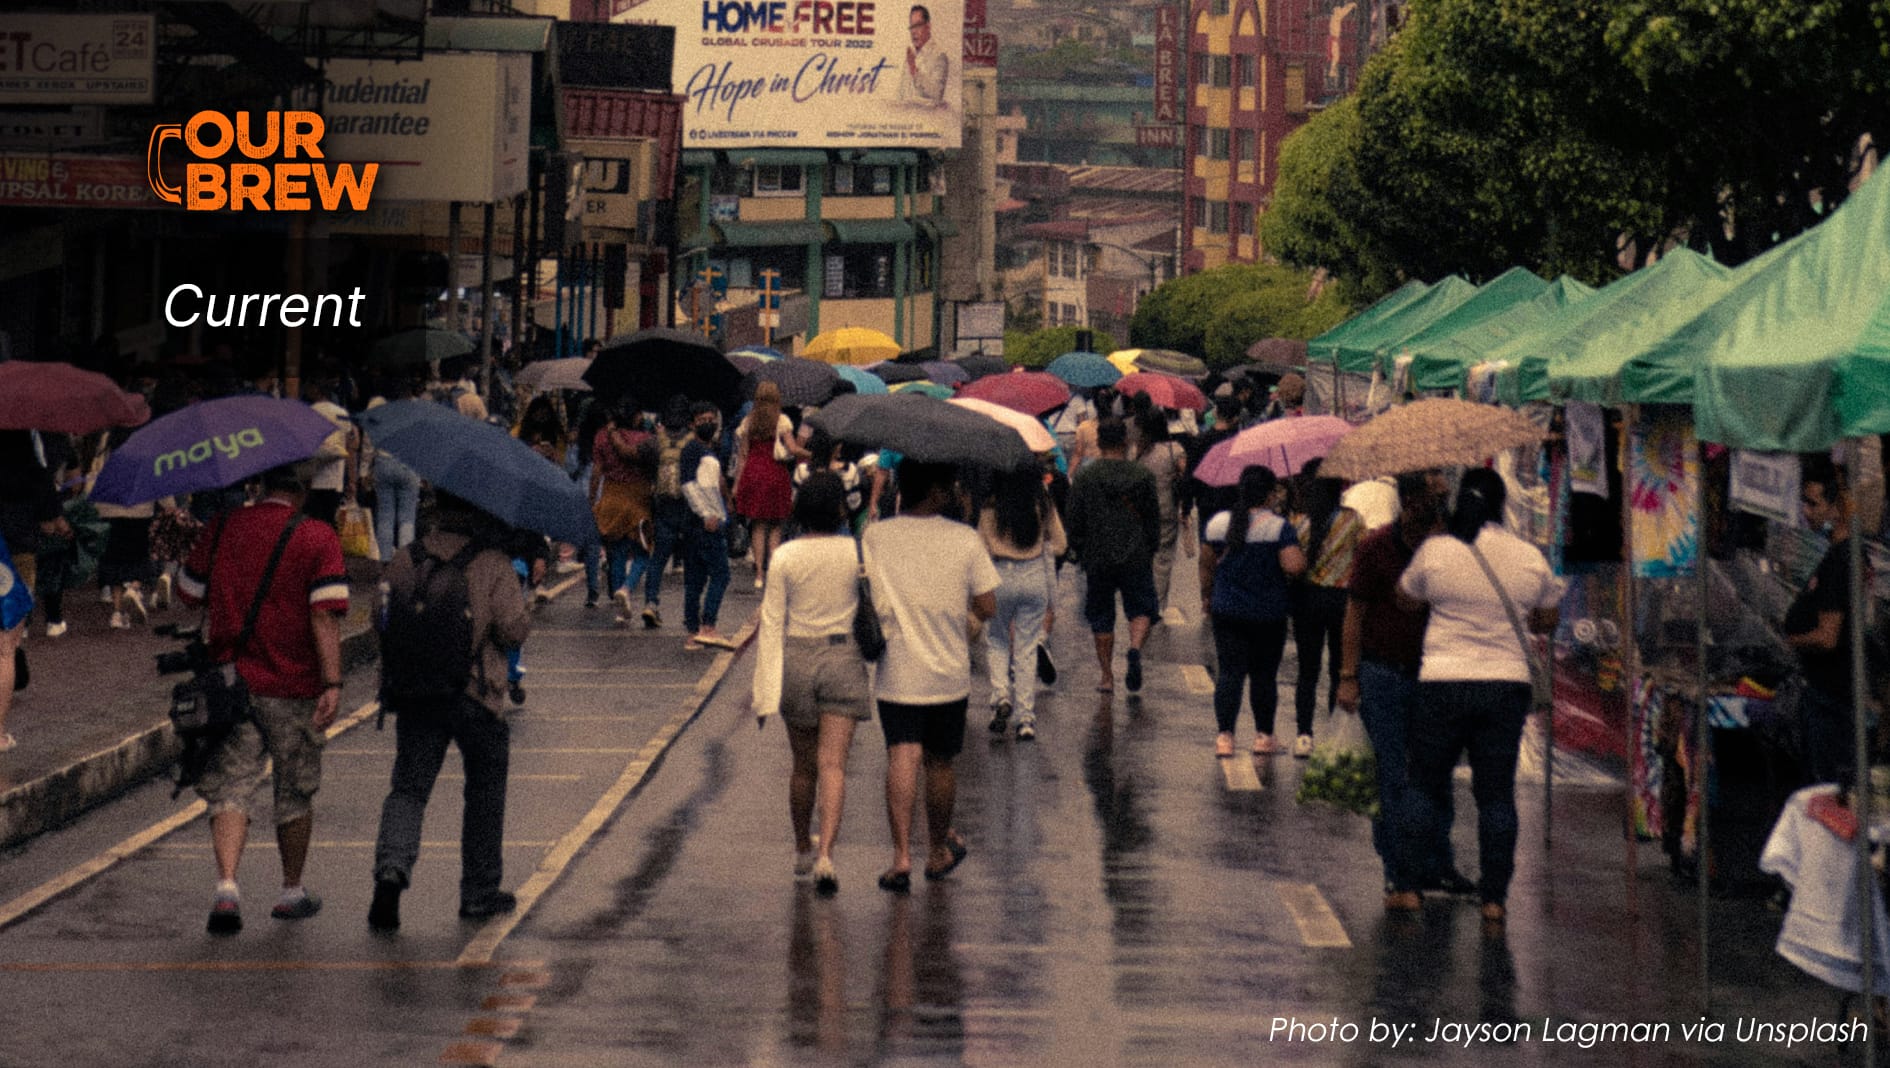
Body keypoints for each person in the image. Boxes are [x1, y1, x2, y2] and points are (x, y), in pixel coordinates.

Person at [178, 461, 349, 934]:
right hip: (293, 685)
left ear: (260, 483)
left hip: (231, 683)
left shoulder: (223, 525)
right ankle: (291, 890)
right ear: (303, 488)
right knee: (294, 788)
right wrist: (332, 683)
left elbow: (189, 594)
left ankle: (228, 887)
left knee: (232, 785)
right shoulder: (317, 537)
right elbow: (324, 617)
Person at [1397, 467, 1563, 924]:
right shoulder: (1526, 556)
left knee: (1424, 786)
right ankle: (1494, 899)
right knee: (1495, 795)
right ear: (1501, 503)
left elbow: (1406, 599)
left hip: (1442, 683)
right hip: (1505, 687)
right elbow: (1545, 620)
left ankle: (1408, 887)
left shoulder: (1436, 550)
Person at [369, 493, 532, 931]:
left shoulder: (406, 559)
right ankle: (478, 890)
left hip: (418, 691)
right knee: (484, 789)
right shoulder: (494, 562)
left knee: (408, 788)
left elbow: (379, 617)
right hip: (476, 693)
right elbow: (513, 630)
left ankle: (391, 871)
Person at [1333, 470, 1473, 909]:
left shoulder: (1450, 549)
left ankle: (1438, 863)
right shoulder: (1375, 548)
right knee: (1391, 777)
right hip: (1383, 675)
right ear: (1408, 501)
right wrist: (1347, 675)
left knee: (1436, 775)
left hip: (1437, 674)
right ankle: (1398, 871)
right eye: (1429, 498)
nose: (1435, 506)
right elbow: (1354, 612)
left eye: (1440, 499)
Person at [863, 462, 998, 891]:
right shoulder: (965, 539)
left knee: (902, 754)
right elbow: (988, 605)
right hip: (948, 673)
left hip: (897, 669)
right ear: (939, 491)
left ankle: (901, 856)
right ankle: (936, 850)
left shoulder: (876, 536)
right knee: (940, 762)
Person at [753, 473, 870, 896]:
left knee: (803, 766)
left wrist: (765, 688)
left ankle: (803, 846)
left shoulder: (784, 556)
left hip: (797, 658)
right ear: (841, 507)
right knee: (833, 764)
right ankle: (827, 856)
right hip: (842, 656)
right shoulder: (856, 550)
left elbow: (771, 621)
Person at [1200, 465, 1305, 756]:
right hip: (1267, 614)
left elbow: (1206, 565)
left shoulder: (1218, 523)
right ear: (1270, 494)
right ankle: (1263, 737)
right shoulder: (1278, 526)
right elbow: (1293, 566)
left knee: (1229, 674)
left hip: (1227, 610)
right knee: (1263, 676)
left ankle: (1225, 738)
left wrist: (1206, 596)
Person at [1066, 420, 1160, 694]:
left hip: (1098, 556)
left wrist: (1080, 549)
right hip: (1136, 554)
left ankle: (1107, 676)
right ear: (1125, 441)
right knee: (1141, 609)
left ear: (1099, 442)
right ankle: (1133, 649)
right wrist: (1150, 548)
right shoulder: (1142, 476)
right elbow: (1153, 519)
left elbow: (1074, 518)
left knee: (1101, 615)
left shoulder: (1085, 476)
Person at [1785, 455, 1860, 787]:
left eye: (1813, 504)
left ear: (1836, 508)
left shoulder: (1841, 561)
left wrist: (1789, 641)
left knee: (1826, 786)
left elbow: (1828, 636)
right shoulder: (1838, 555)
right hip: (1830, 694)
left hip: (1830, 698)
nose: (1806, 511)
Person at [978, 468, 1066, 741]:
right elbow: (1061, 545)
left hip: (999, 575)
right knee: (1027, 648)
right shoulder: (1041, 503)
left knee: (997, 639)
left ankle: (1001, 695)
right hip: (1034, 576)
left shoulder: (990, 506)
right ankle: (1025, 718)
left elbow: (980, 549)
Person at [1286, 461, 1363, 757]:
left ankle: (1304, 735)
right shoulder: (1353, 521)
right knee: (1337, 671)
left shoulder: (1300, 523)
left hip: (1308, 601)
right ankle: (1333, 736)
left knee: (1307, 671)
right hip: (1342, 603)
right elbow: (1362, 556)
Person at [734, 381, 807, 590]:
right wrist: (812, 454)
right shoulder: (781, 420)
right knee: (775, 525)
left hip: (753, 473)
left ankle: (759, 574)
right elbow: (793, 449)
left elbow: (743, 454)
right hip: (775, 473)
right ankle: (774, 571)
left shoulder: (749, 421)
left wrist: (737, 484)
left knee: (757, 525)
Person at [590, 403, 656, 625]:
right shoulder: (646, 439)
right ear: (637, 416)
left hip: (611, 495)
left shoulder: (601, 437)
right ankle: (627, 587)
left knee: (616, 552)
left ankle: (620, 609)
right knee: (643, 550)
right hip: (638, 497)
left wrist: (592, 500)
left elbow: (596, 471)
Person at [679, 402, 737, 650]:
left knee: (696, 579)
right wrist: (707, 515)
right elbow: (689, 486)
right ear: (692, 423)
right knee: (720, 575)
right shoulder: (693, 450)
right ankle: (708, 626)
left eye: (711, 418)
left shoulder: (706, 449)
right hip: (704, 523)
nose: (708, 423)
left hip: (701, 522)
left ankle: (693, 632)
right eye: (702, 419)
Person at [640, 397, 695, 628]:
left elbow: (641, 458)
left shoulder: (654, 443)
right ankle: (691, 612)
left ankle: (651, 603)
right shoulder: (693, 443)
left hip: (662, 506)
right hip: (688, 506)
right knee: (692, 561)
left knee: (658, 559)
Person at [1135, 407, 1191, 615]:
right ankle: (1156, 606)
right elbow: (1186, 478)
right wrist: (1185, 507)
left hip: (1140, 510)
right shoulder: (1174, 450)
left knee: (1143, 556)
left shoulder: (1138, 451)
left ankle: (1141, 600)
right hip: (1166, 508)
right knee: (1163, 559)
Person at [898, 4, 949, 107]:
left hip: (926, 120)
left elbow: (936, 94)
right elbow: (902, 94)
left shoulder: (939, 56)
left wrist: (914, 70)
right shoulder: (911, 55)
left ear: (928, 26)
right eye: (912, 26)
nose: (913, 31)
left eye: (918, 25)